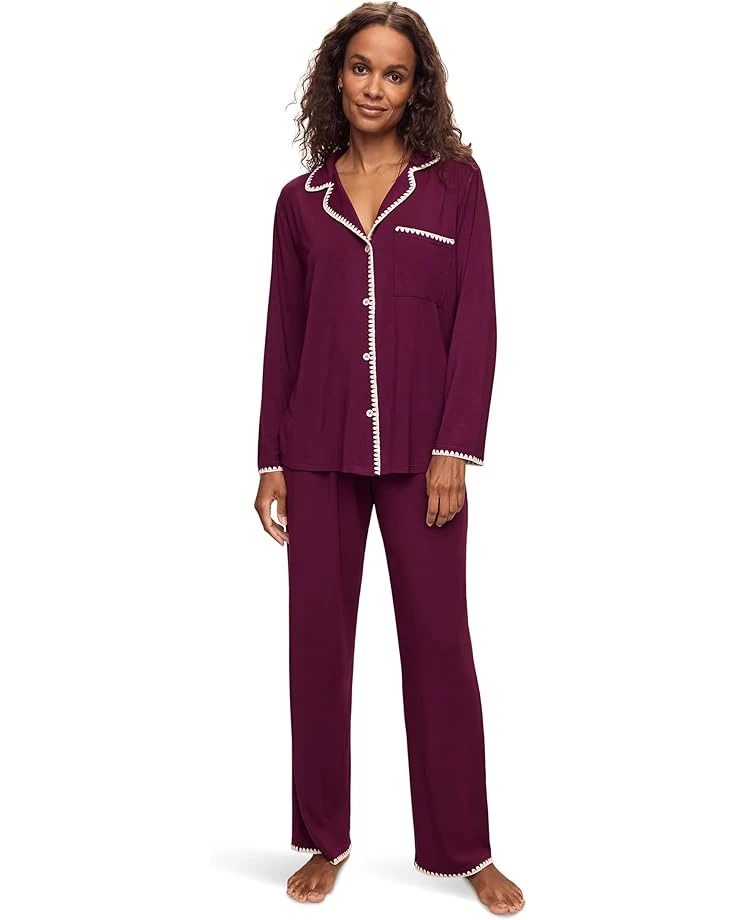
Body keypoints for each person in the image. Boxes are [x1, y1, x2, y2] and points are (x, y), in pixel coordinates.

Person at [254, 2, 524, 913]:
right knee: (317, 651)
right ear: (337, 76)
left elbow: (477, 320)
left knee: (440, 646)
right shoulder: (301, 202)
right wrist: (271, 459)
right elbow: (283, 335)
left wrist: (456, 447)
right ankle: (322, 837)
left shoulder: (454, 188)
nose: (375, 86)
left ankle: (463, 847)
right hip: (316, 451)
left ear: (418, 88)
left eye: (395, 73)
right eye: (361, 68)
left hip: (423, 455)